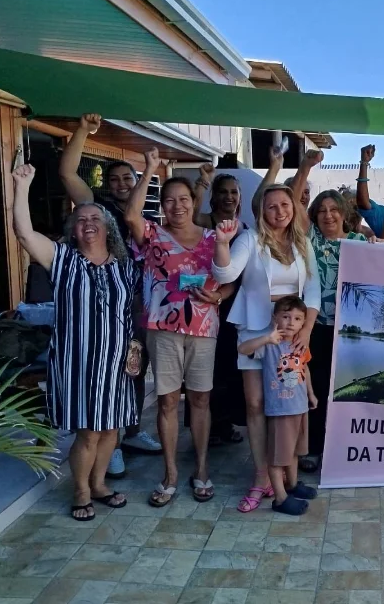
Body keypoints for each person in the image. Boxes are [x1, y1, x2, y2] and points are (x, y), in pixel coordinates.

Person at [12, 164, 138, 522]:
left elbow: (130, 311)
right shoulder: (62, 259)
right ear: (73, 229)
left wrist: (135, 350)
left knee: (111, 428)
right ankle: (81, 490)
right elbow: (24, 233)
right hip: (78, 362)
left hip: (116, 362)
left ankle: (98, 484)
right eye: (80, 220)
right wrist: (22, 187)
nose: (88, 224)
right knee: (88, 432)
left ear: (108, 228)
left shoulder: (125, 266)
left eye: (95, 219)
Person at [58, 113, 161, 478]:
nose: (120, 184)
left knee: (134, 366)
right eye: (114, 179)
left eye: (127, 178)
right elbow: (67, 173)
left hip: (137, 301)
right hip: (102, 302)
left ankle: (130, 432)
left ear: (137, 180)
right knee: (106, 372)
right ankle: (110, 444)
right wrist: (83, 132)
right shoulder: (97, 209)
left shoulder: (148, 213)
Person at [125, 149, 229, 507]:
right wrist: (149, 169)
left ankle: (200, 468)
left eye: (183, 199)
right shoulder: (152, 235)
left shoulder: (213, 238)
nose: (177, 206)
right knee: (168, 401)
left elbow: (232, 278)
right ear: (162, 205)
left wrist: (220, 296)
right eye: (169, 200)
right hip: (163, 328)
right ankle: (169, 473)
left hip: (204, 328)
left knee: (200, 399)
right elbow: (131, 214)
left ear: (193, 201)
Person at [212, 184, 321, 513]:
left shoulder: (302, 241)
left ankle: (287, 475)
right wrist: (222, 243)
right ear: (262, 210)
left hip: (291, 333)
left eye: (285, 204)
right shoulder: (250, 239)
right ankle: (262, 475)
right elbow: (225, 272)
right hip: (256, 328)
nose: (279, 211)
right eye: (271, 206)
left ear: (293, 207)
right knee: (257, 404)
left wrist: (307, 331)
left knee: (288, 402)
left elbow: (313, 290)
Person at [289, 158, 381, 472]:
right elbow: (293, 203)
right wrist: (304, 168)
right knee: (315, 386)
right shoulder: (310, 240)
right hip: (316, 326)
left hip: (350, 329)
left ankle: (346, 446)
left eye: (334, 210)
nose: (328, 215)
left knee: (346, 388)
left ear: (343, 213)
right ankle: (314, 448)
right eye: (322, 211)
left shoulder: (361, 242)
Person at [237, 296, 319, 515]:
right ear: (275, 318)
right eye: (286, 316)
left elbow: (305, 369)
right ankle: (280, 498)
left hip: (300, 408)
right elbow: (243, 349)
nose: (291, 322)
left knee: (294, 452)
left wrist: (311, 394)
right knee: (277, 456)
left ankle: (292, 485)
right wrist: (266, 338)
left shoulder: (300, 344)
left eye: (297, 319)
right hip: (280, 409)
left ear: (303, 323)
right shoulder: (270, 345)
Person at [190, 164, 246, 445]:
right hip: (203, 303)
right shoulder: (204, 221)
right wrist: (202, 182)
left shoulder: (244, 229)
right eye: (223, 192)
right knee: (205, 368)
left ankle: (223, 424)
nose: (228, 197)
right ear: (214, 197)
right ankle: (205, 428)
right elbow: (190, 214)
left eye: (233, 192)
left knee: (228, 366)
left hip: (232, 303)